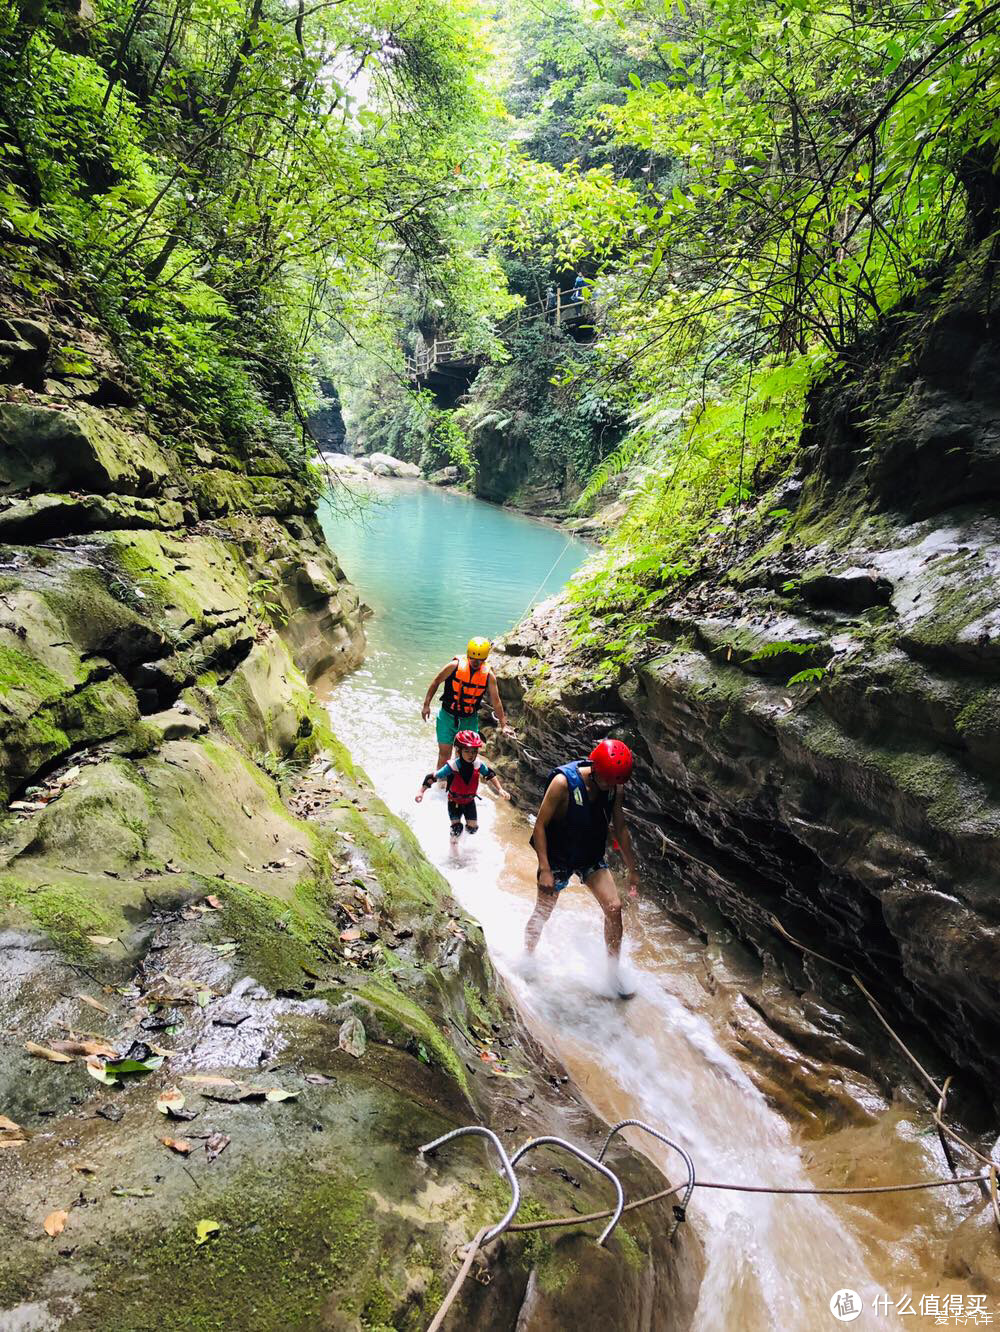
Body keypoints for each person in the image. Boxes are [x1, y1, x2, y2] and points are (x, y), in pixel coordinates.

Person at [525, 738, 639, 996]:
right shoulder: (563, 783)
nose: (611, 786)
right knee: (543, 912)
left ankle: (613, 975)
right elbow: (540, 825)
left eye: (616, 782)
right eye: (608, 780)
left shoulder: (615, 787)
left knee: (614, 907)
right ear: (595, 768)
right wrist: (544, 868)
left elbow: (620, 827)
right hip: (558, 856)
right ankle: (527, 959)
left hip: (589, 853)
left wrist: (632, 868)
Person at [421, 636, 509, 772]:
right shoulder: (454, 666)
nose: (476, 662)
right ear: (468, 655)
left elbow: (496, 701)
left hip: (469, 719)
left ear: (485, 659)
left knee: (464, 758)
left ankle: (458, 787)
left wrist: (504, 724)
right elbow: (436, 681)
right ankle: (440, 784)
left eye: (480, 660)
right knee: (444, 755)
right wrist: (426, 705)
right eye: (473, 658)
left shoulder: (489, 675)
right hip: (447, 716)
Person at [415, 730, 510, 838]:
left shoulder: (478, 764)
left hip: (469, 801)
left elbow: (490, 774)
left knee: (473, 829)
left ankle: (464, 843)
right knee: (456, 828)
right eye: (467, 751)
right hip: (454, 801)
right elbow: (432, 777)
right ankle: (453, 846)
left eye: (474, 751)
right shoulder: (453, 766)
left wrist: (500, 789)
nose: (471, 755)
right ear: (459, 750)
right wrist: (421, 792)